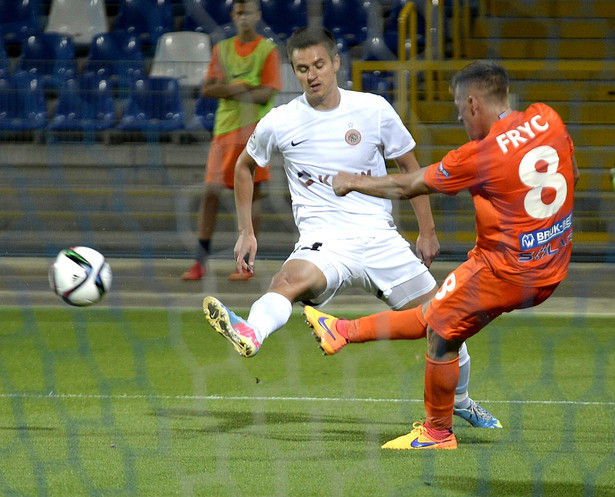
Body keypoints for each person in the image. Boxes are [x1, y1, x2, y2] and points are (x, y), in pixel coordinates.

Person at [202, 27, 501, 429]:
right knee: (288, 280)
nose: (312, 75)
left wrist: (426, 231)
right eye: (302, 68)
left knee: (445, 323)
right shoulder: (280, 121)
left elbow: (410, 170)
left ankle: (460, 400)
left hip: (381, 238)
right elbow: (243, 165)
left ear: (336, 62)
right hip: (326, 242)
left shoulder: (373, 108)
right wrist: (246, 231)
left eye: (319, 65)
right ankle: (252, 332)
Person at [306, 60, 579, 449]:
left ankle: (437, 432)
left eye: (457, 109)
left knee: (441, 333)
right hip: (551, 267)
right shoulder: (547, 118)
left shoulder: (479, 154)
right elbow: (574, 174)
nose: (459, 118)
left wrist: (353, 181)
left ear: (472, 104)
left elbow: (408, 185)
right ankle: (343, 331)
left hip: (504, 271)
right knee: (437, 313)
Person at [181, 0, 282, 281]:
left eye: (248, 12)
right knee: (210, 194)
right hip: (224, 132)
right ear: (233, 16)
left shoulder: (268, 51)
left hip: (253, 133)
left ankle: (246, 264)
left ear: (257, 15)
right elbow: (208, 91)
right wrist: (241, 87)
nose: (243, 17)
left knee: (252, 199)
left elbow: (266, 94)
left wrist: (229, 89)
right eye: (238, 12)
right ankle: (200, 262)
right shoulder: (222, 49)